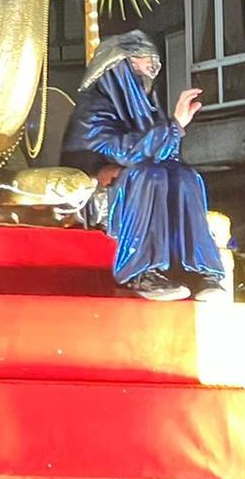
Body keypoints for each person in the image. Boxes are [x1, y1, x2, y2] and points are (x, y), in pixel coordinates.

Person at [62, 30, 225, 302]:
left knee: (185, 176)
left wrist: (172, 129)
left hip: (136, 177)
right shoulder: (92, 108)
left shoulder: (144, 108)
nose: (147, 69)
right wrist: (172, 127)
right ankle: (140, 270)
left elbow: (165, 153)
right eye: (139, 60)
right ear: (118, 66)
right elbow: (121, 152)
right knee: (147, 176)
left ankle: (197, 269)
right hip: (99, 193)